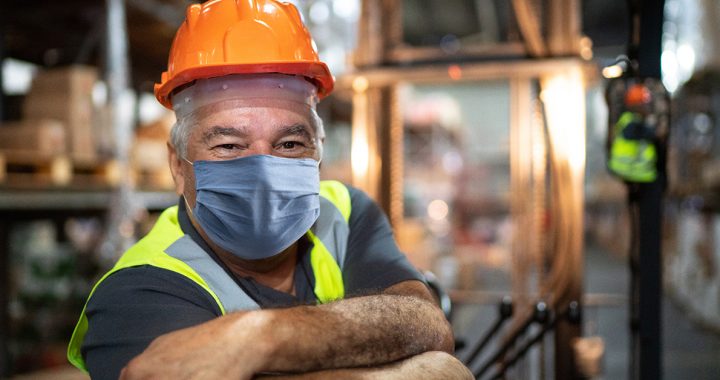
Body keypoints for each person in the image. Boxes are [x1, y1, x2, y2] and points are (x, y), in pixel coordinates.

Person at [67, 1, 472, 379]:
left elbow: (424, 322)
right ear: (177, 164)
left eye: (289, 145)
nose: (263, 171)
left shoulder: (344, 212)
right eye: (228, 146)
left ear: (318, 152)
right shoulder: (137, 294)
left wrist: (260, 336)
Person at [607, 83, 659, 183]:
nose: (647, 107)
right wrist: (650, 123)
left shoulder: (631, 119)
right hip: (633, 172)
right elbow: (650, 134)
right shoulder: (632, 123)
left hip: (634, 171)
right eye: (645, 104)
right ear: (637, 105)